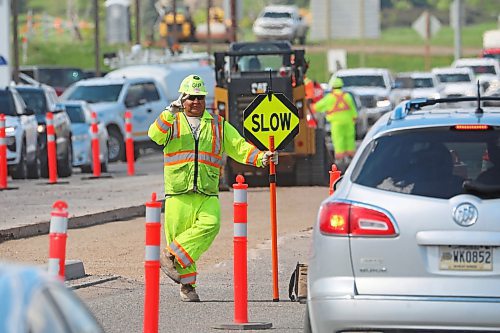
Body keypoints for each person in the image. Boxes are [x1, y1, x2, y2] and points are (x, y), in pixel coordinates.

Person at [148, 74, 277, 302]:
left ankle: (169, 255)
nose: (195, 102)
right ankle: (188, 287)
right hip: (178, 192)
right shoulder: (172, 121)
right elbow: (154, 135)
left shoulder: (218, 124)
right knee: (182, 236)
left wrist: (261, 158)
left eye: (199, 97)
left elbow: (238, 146)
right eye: (190, 97)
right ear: (182, 98)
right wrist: (170, 111)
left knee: (211, 224)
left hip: (207, 190)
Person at [314, 77, 357, 165]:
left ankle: (340, 161)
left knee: (338, 140)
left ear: (332, 87)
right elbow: (353, 110)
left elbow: (317, 107)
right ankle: (351, 159)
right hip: (348, 122)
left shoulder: (329, 98)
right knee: (349, 139)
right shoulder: (347, 96)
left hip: (336, 123)